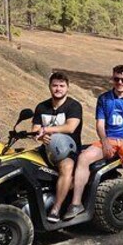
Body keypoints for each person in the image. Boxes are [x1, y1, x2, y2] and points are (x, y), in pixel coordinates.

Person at [65, 65, 123, 235]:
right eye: (116, 79)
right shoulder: (104, 99)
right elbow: (100, 124)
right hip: (109, 139)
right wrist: (104, 142)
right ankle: (76, 203)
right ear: (112, 79)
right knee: (83, 158)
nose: (120, 82)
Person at [31, 72, 83, 223]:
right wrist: (39, 136)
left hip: (69, 149)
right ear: (49, 87)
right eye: (55, 85)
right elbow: (35, 129)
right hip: (46, 149)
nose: (58, 89)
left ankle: (56, 209)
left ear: (67, 88)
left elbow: (70, 127)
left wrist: (46, 130)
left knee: (66, 167)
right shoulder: (42, 107)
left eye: (61, 86)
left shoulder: (74, 106)